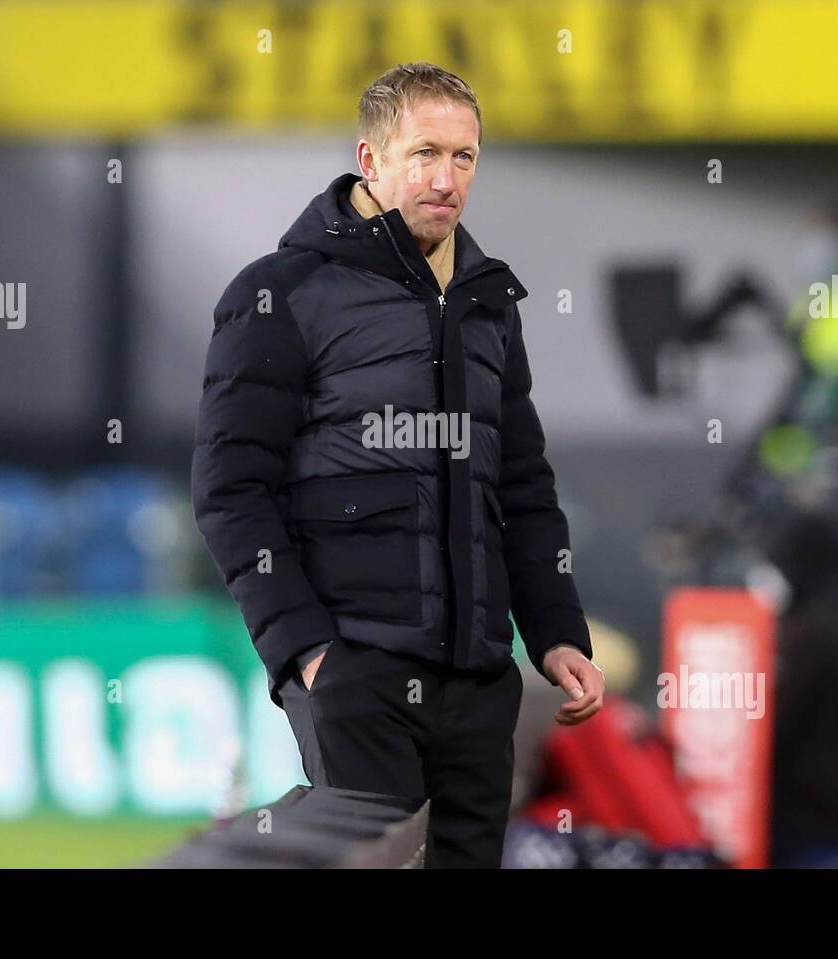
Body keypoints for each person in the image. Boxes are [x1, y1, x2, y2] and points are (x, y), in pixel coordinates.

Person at [191, 62, 603, 867]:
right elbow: (230, 490)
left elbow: (521, 485)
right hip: (355, 668)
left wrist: (555, 631)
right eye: (424, 154)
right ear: (370, 161)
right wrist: (308, 652)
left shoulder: (490, 304)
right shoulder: (280, 294)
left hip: (481, 680)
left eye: (463, 157)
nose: (446, 178)